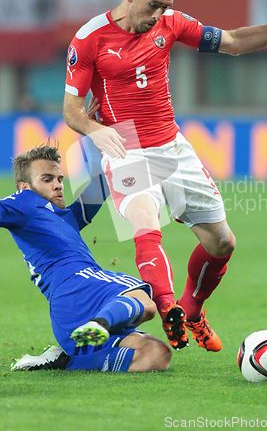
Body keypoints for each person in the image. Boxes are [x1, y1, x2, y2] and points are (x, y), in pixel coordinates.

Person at [63, 0, 267, 352]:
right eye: (154, 5)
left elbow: (233, 41)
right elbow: (70, 110)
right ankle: (168, 307)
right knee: (144, 220)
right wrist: (96, 130)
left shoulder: (172, 23)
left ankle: (192, 310)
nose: (160, 15)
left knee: (222, 243)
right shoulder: (90, 38)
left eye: (166, 6)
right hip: (125, 149)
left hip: (172, 147)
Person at [2, 144, 171, 373]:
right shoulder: (24, 202)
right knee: (143, 301)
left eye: (60, 179)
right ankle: (100, 323)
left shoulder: (67, 216)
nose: (58, 185)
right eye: (47, 179)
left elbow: (102, 184)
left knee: (156, 354)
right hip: (75, 286)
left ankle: (65, 360)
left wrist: (98, 136)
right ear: (25, 187)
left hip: (74, 309)